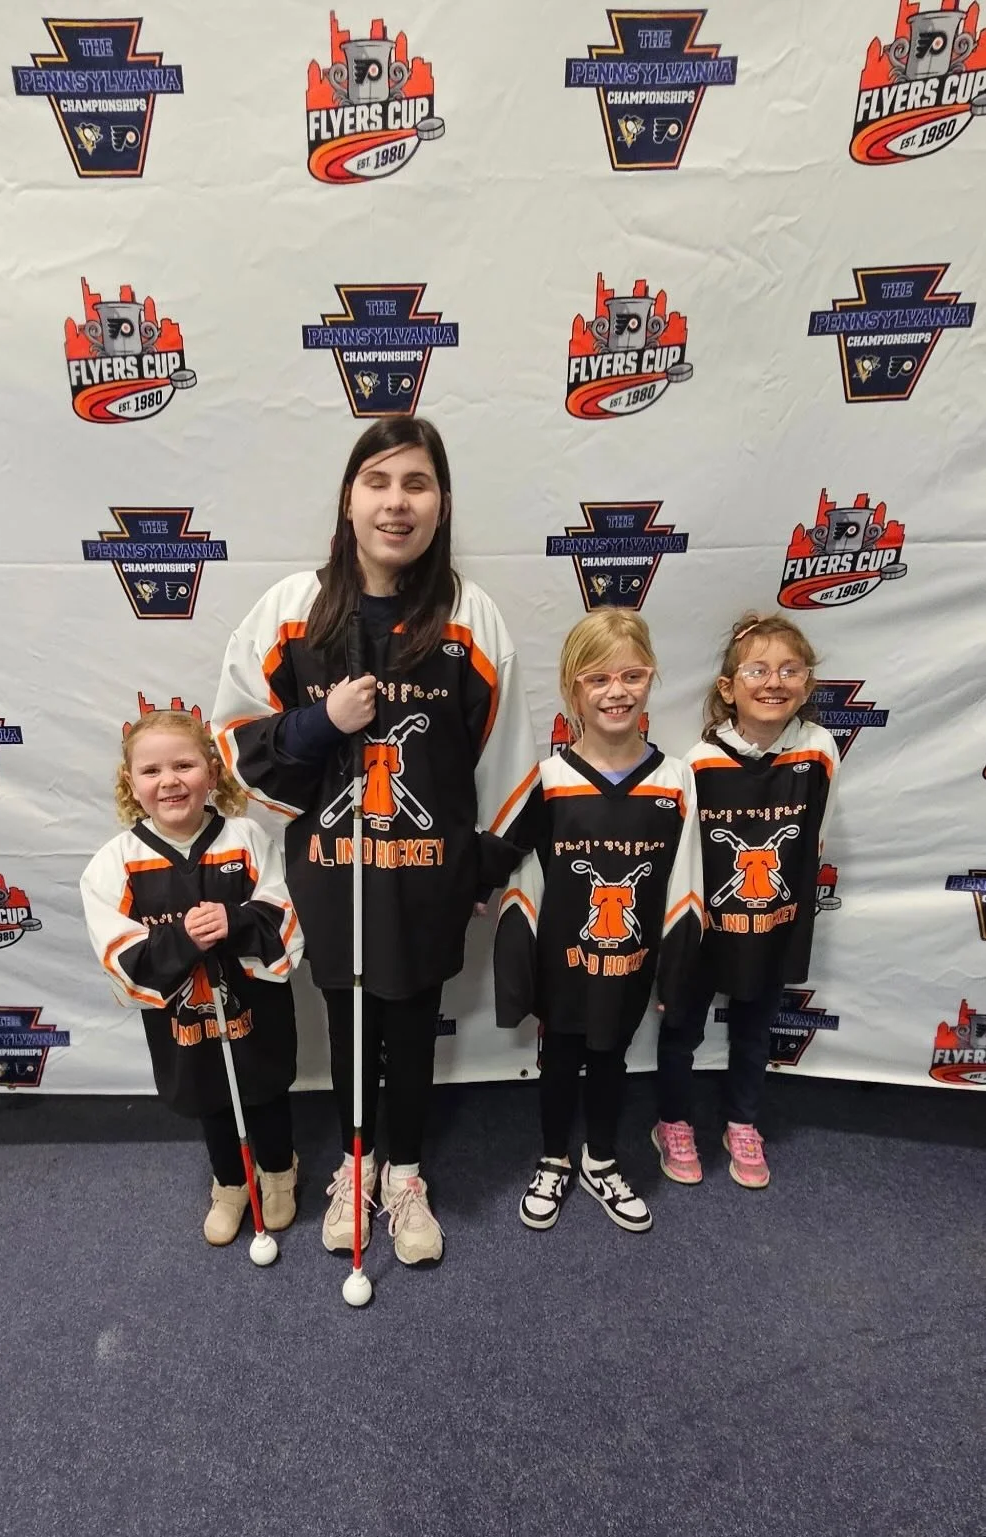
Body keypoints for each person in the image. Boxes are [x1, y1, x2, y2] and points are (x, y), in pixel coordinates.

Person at [212, 418, 539, 1266]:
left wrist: (482, 868)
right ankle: (355, 1164)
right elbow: (237, 743)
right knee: (350, 1022)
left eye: (418, 483)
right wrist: (324, 720)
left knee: (411, 1026)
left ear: (440, 503)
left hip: (423, 874)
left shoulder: (469, 615)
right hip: (330, 868)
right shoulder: (292, 609)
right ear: (350, 499)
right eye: (379, 481)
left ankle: (405, 1173)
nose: (397, 501)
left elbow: (507, 758)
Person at [495, 611, 703, 1232]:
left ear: (651, 680)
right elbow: (523, 885)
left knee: (612, 1055)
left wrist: (677, 975)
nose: (617, 691)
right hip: (565, 964)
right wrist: (519, 973)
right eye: (598, 678)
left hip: (630, 963)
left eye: (632, 675)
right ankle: (554, 1158)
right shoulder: (550, 782)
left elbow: (684, 885)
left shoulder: (674, 781)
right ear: (571, 690)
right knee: (559, 1058)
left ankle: (602, 1159)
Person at [80, 709, 304, 1246]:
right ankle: (229, 1182)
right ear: (131, 784)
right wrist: (182, 940)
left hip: (256, 1012)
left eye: (184, 765)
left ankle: (278, 1170)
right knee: (209, 1095)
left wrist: (237, 922)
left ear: (211, 770)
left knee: (265, 1090)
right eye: (152, 771)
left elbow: (286, 914)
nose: (170, 781)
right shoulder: (116, 863)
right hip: (185, 1024)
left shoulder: (246, 837)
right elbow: (119, 956)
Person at [653, 612, 840, 1189]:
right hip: (710, 928)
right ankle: (673, 1120)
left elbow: (816, 837)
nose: (774, 682)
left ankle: (742, 1120)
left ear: (807, 684)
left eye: (790, 669)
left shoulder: (819, 749)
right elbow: (684, 859)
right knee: (681, 1028)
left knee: (755, 1030)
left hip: (774, 923)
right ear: (728, 688)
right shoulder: (699, 763)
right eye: (757, 670)